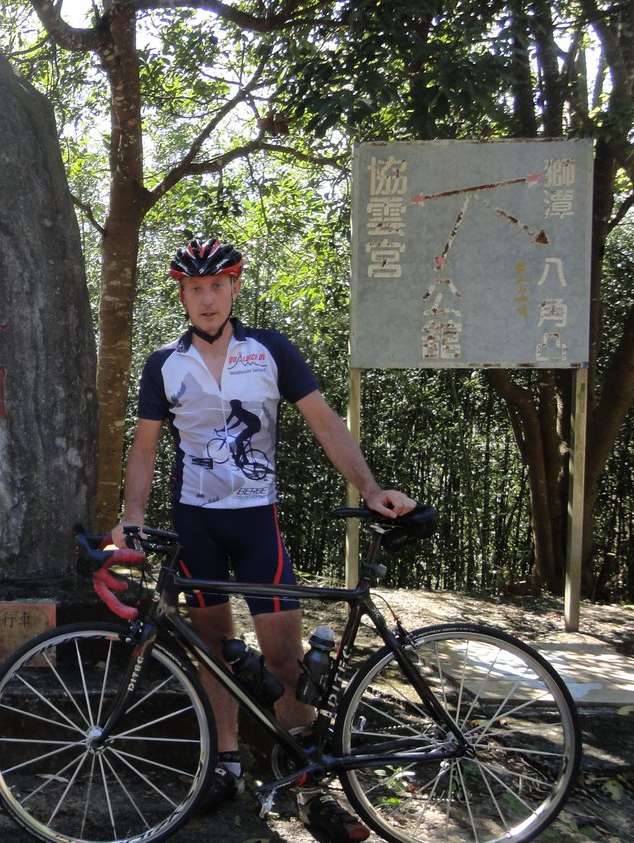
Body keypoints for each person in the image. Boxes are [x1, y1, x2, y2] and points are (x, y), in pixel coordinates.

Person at [114, 236, 416, 843]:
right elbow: (144, 449)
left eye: (216, 285)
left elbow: (325, 424)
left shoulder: (270, 350)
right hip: (194, 523)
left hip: (257, 522)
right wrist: (132, 516)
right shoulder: (164, 363)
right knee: (213, 651)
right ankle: (224, 766)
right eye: (194, 288)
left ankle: (310, 786)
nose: (206, 298)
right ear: (182, 295)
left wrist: (370, 487)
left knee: (284, 657)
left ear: (234, 287)